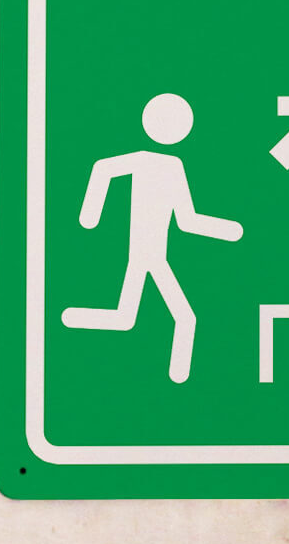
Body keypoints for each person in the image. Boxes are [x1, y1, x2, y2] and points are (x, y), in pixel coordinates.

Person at [61, 93, 243, 383]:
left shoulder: (173, 166)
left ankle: (74, 317)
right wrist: (90, 214)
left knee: (128, 317)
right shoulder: (148, 161)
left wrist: (227, 230)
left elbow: (186, 220)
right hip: (147, 256)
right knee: (183, 317)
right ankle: (179, 377)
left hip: (154, 256)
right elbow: (103, 169)